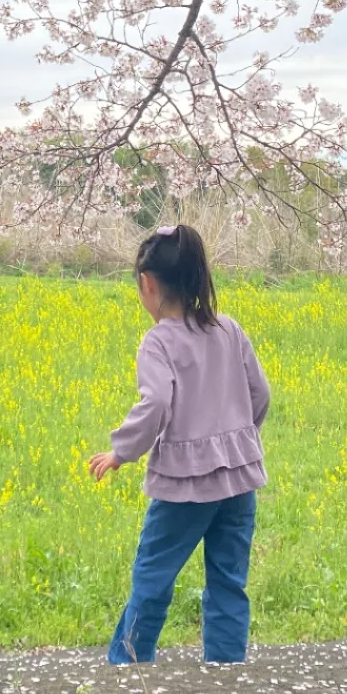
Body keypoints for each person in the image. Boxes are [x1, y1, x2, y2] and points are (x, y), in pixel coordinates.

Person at [89, 224, 270, 666]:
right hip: (239, 479)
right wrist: (238, 439)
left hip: (184, 486)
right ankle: (227, 670)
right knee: (229, 581)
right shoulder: (228, 329)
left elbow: (156, 405)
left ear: (147, 284)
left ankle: (129, 666)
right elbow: (260, 394)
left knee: (153, 578)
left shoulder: (159, 341)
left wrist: (121, 452)